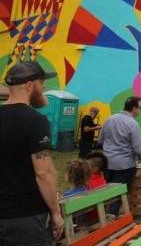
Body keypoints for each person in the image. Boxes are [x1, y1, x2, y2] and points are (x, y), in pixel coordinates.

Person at [0, 61, 64, 245]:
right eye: (42, 84)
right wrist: (55, 212)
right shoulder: (35, 120)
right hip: (27, 217)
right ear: (30, 85)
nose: (44, 89)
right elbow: (43, 173)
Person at [98, 96, 141, 215]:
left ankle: (106, 217)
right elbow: (138, 149)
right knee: (117, 196)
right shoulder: (133, 124)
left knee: (109, 193)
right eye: (140, 107)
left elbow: (100, 141)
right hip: (125, 166)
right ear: (134, 108)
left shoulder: (108, 119)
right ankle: (110, 222)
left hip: (107, 163)